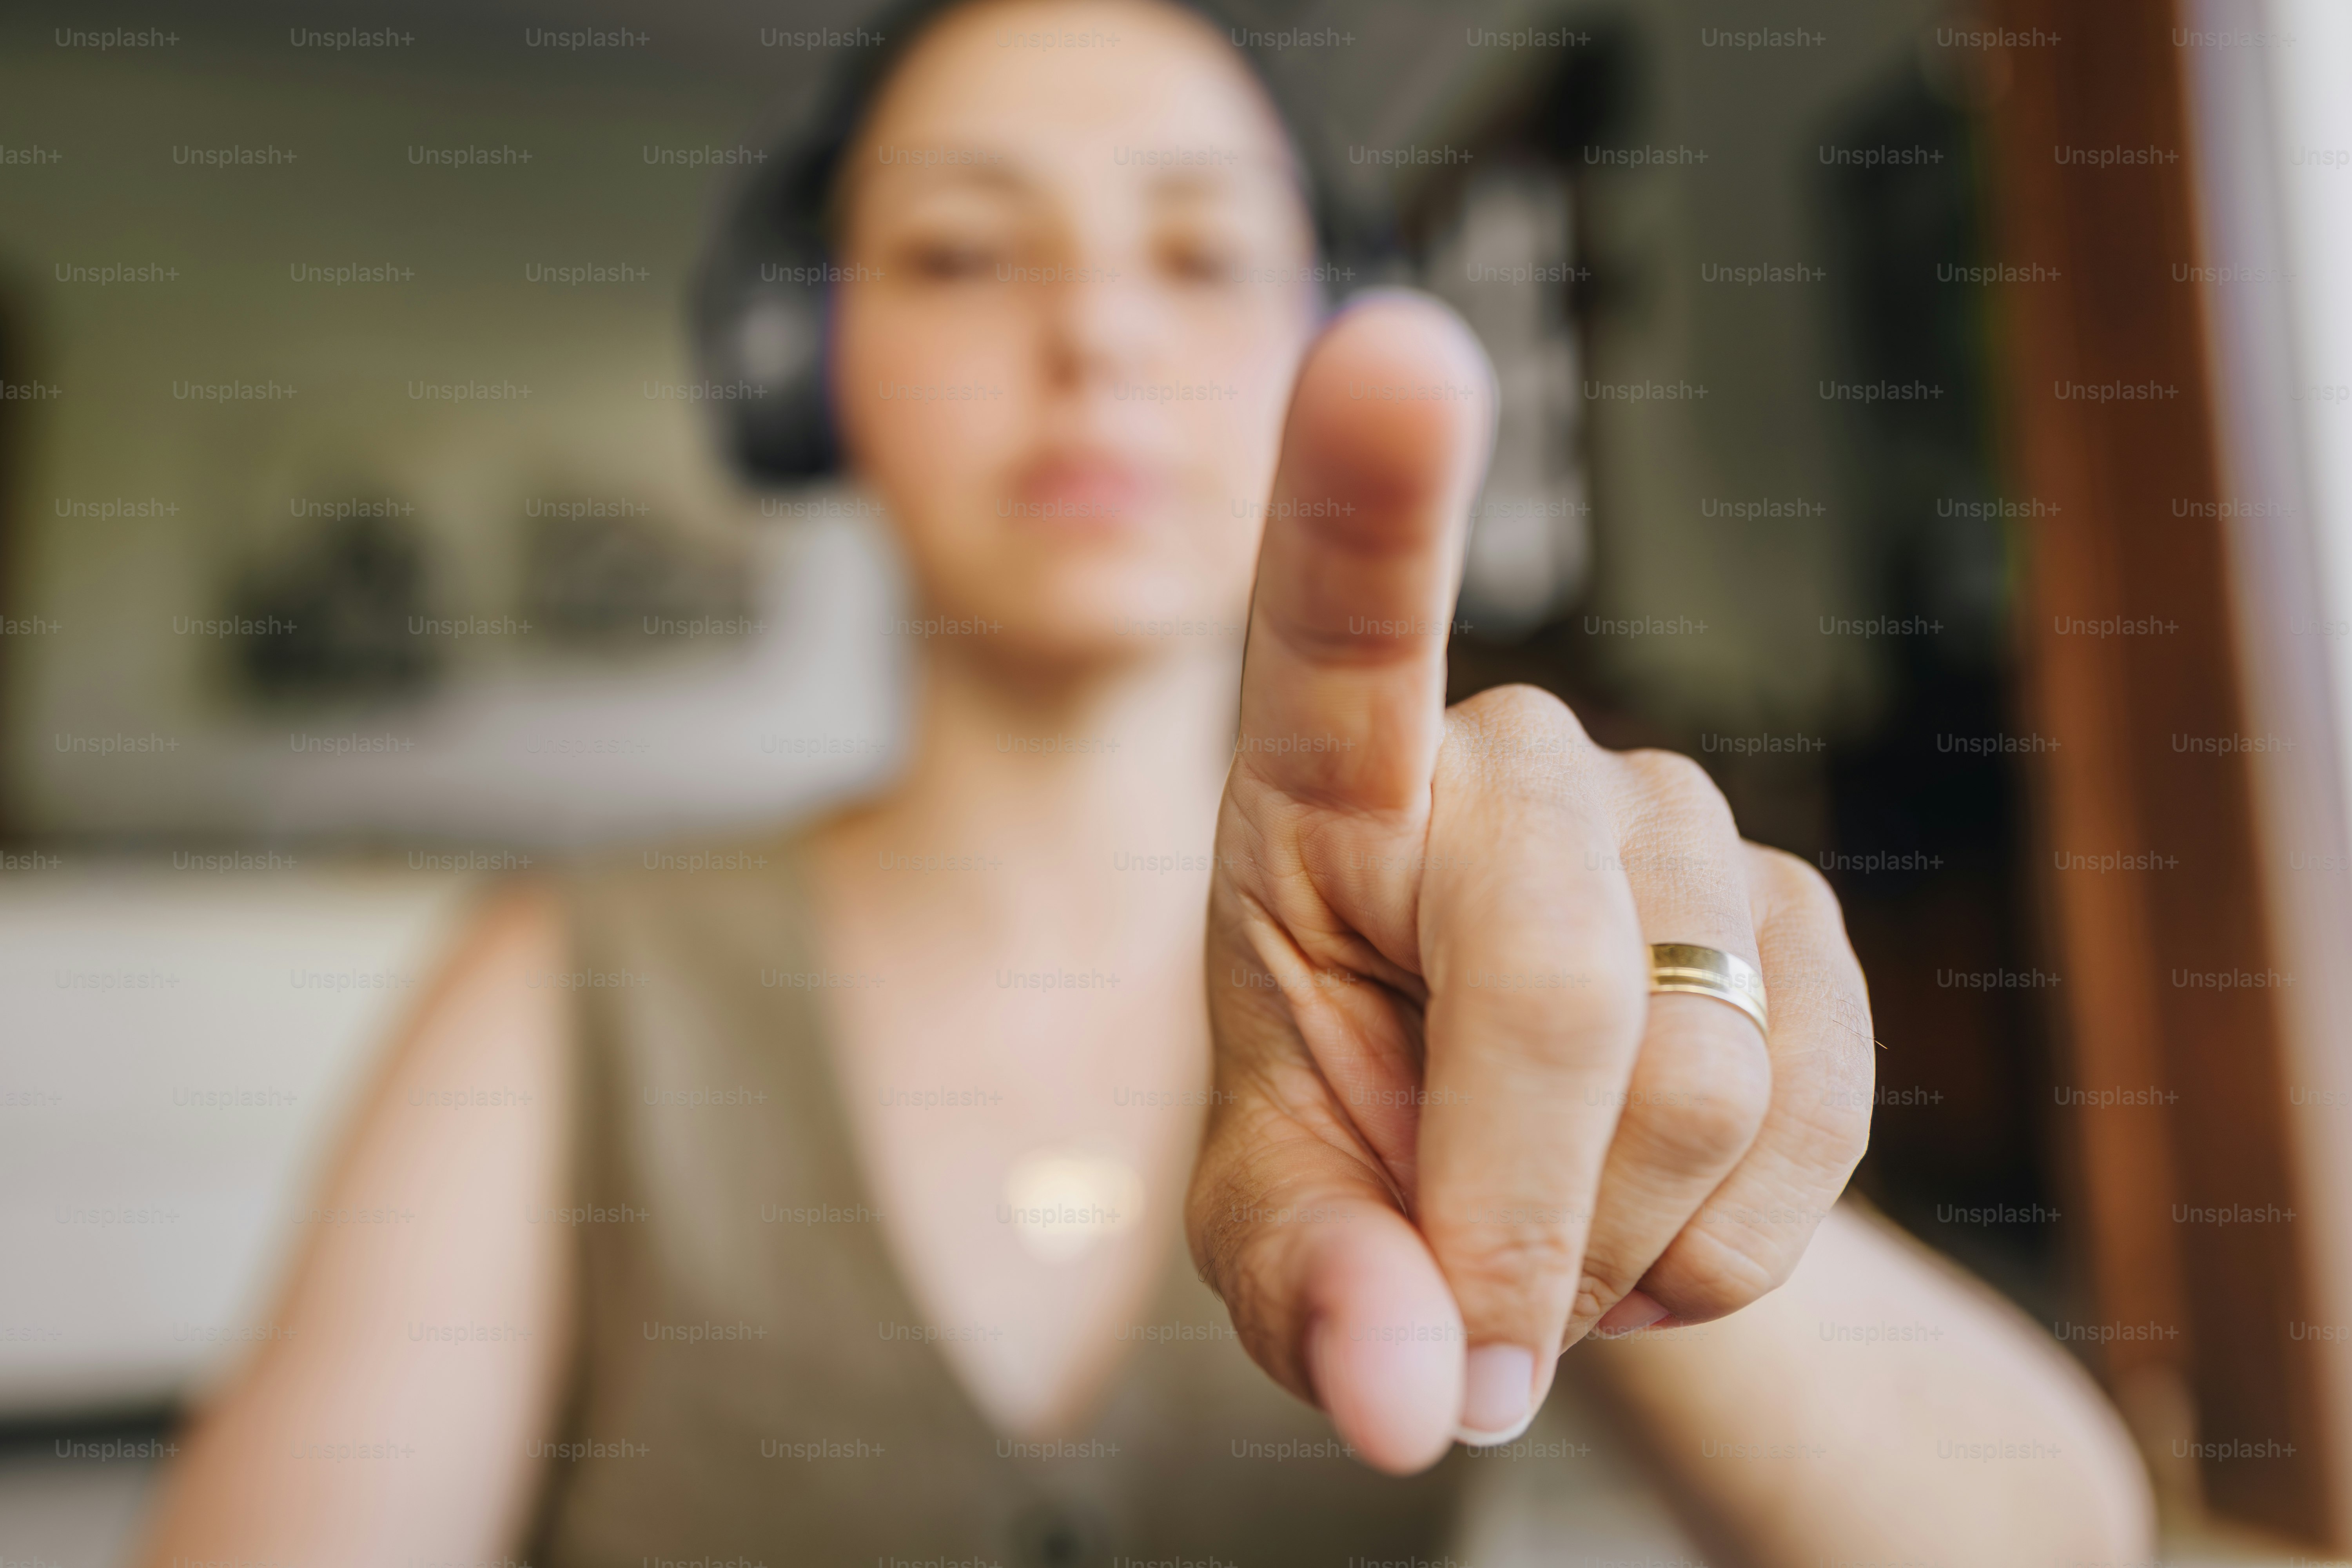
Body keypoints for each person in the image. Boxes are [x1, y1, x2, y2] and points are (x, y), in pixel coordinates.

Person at [134, 1, 2156, 1564]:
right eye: (957, 254)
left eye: (1197, 256)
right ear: (807, 364)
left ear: (1329, 342)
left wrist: (1628, 1083)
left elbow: (2050, 1539)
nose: (1091, 328)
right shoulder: (565, 980)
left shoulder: (1451, 963)